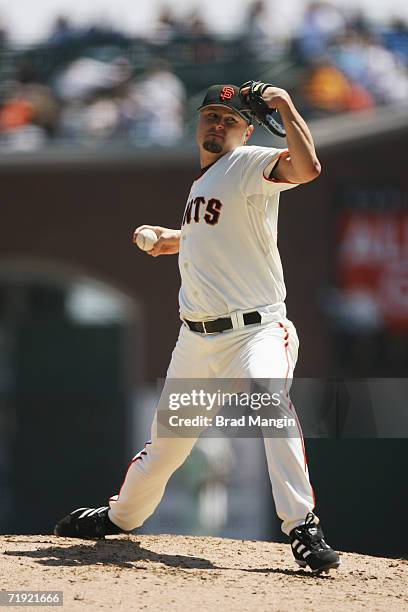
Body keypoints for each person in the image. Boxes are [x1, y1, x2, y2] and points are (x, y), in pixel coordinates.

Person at [54, 83, 340, 574]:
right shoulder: (206, 182)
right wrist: (176, 239)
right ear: (197, 124)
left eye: (229, 119)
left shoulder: (248, 161)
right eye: (210, 115)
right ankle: (121, 517)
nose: (217, 124)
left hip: (257, 330)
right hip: (198, 340)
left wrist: (287, 107)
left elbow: (308, 169)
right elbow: (219, 236)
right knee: (167, 445)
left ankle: (302, 526)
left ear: (247, 130)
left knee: (270, 402)